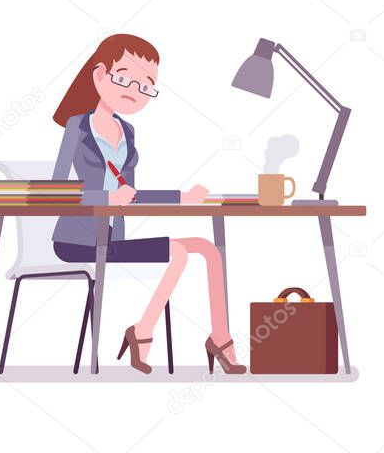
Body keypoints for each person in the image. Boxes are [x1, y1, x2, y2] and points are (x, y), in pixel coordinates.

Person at [51, 33, 246, 375]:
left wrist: (182, 198)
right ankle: (142, 333)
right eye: (125, 78)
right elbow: (55, 192)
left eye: (146, 86)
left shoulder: (127, 132)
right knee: (182, 252)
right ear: (99, 75)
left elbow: (132, 193)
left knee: (208, 249)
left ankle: (220, 337)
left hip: (113, 240)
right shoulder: (76, 127)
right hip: (76, 242)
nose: (134, 91)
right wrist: (105, 198)